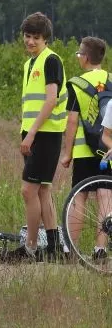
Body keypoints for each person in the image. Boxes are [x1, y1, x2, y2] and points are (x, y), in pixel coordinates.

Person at [10, 12, 67, 261]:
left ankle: (31, 248)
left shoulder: (50, 60)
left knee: (28, 191)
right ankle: (53, 247)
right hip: (34, 132)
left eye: (36, 37)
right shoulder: (30, 63)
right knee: (43, 189)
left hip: (45, 133)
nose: (30, 41)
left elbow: (51, 99)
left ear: (45, 38)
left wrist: (31, 133)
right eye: (27, 36)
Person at [60, 37, 110, 261]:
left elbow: (72, 121)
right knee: (106, 195)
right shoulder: (111, 79)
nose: (78, 57)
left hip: (84, 150)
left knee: (79, 196)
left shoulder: (77, 84)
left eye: (79, 54)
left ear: (86, 57)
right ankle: (101, 249)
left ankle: (71, 250)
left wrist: (67, 152)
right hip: (108, 148)